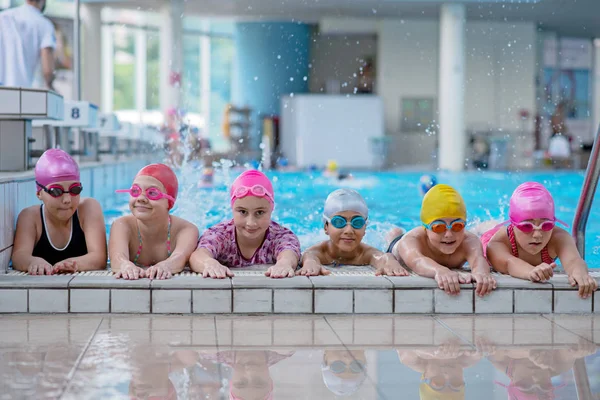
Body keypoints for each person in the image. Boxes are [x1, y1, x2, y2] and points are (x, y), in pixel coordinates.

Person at [482, 182, 597, 298]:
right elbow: (509, 263)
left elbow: (573, 260)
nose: (537, 235)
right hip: (489, 238)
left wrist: (579, 271)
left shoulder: (558, 237)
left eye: (546, 225)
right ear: (513, 224)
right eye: (527, 226)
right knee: (485, 229)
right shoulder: (499, 242)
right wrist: (530, 271)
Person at [388, 184, 496, 297]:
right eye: (438, 227)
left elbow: (478, 259)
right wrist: (439, 270)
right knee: (395, 235)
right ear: (426, 227)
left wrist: (480, 273)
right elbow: (418, 261)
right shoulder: (411, 241)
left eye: (457, 226)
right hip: (397, 247)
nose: (448, 234)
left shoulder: (469, 240)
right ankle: (394, 234)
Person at [190, 170, 301, 279]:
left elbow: (289, 252)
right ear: (232, 209)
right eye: (243, 212)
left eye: (259, 212)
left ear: (271, 209)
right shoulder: (221, 234)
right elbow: (198, 255)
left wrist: (284, 263)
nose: (251, 223)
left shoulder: (280, 235)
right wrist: (209, 263)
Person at [12, 149, 107, 275]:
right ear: (39, 193)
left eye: (75, 190)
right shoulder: (30, 217)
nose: (67, 200)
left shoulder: (88, 209)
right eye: (56, 191)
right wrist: (33, 262)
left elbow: (99, 257)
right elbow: (19, 256)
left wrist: (72, 264)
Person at [109, 163, 199, 280]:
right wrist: (125, 265)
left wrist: (166, 265)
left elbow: (179, 257)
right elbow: (117, 257)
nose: (141, 198)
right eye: (135, 191)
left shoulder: (186, 230)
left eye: (152, 193)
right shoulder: (122, 225)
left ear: (169, 202)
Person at [298, 188, 409, 276]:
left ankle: (393, 236)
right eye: (339, 222)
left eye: (357, 223)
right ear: (326, 227)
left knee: (394, 242)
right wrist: (310, 263)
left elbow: (382, 257)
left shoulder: (365, 253)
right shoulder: (320, 252)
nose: (349, 230)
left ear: (365, 228)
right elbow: (309, 256)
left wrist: (390, 260)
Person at [0, 0, 55, 89]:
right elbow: (48, 71)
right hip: (24, 93)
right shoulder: (44, 25)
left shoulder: (3, 17)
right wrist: (52, 87)